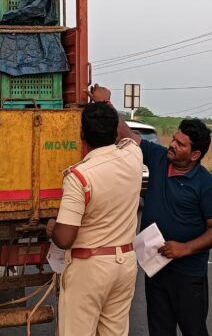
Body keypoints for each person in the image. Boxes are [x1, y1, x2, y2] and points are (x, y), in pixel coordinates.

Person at [88, 84, 212, 336]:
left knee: (193, 330)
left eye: (180, 144)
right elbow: (127, 134)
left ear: (195, 154)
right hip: (156, 266)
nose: (172, 145)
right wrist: (106, 105)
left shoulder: (208, 185)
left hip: (188, 274)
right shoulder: (160, 158)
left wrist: (184, 248)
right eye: (173, 138)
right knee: (159, 329)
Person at [46, 103, 143, 336]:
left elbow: (65, 238)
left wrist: (52, 228)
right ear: (115, 132)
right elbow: (132, 137)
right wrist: (107, 102)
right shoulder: (133, 156)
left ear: (82, 135)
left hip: (89, 267)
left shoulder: (79, 176)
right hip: (125, 263)